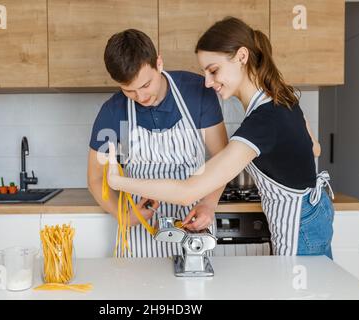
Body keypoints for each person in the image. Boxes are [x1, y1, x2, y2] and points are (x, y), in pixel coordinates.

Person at [107, 17, 335, 258]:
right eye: (204, 72)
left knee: (299, 295)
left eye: (213, 70)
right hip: (314, 213)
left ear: (242, 57)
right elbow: (315, 148)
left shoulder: (264, 120)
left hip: (299, 226)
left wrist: (118, 182)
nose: (207, 82)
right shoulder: (281, 98)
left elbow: (187, 192)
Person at [87, 29, 228, 258]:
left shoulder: (197, 93)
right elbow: (95, 178)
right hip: (140, 232)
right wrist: (123, 215)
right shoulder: (113, 111)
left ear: (158, 62)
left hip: (192, 224)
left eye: (145, 85)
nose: (141, 97)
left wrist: (209, 204)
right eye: (129, 90)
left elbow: (222, 158)